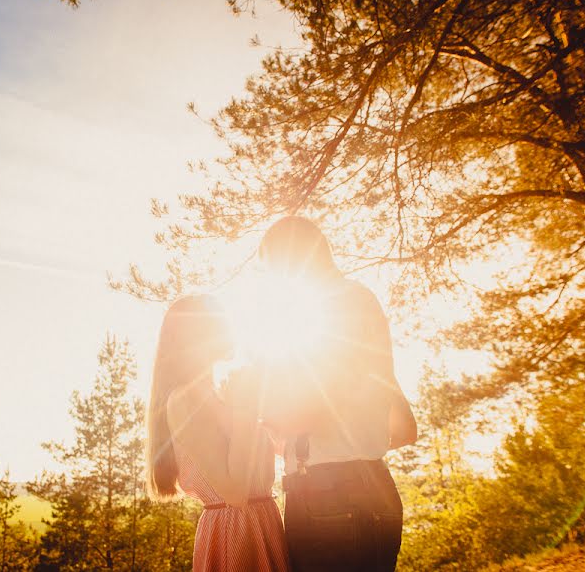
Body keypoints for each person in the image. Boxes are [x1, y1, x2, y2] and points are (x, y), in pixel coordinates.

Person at [257, 215, 418, 572]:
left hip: (327, 497)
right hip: (379, 489)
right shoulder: (364, 302)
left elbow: (310, 406)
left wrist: (266, 414)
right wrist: (357, 443)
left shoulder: (322, 308)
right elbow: (407, 429)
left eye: (271, 270)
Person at [146, 295, 291, 571]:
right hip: (234, 530)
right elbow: (234, 493)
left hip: (263, 522)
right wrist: (246, 407)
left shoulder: (221, 394)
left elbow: (279, 447)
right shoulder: (185, 400)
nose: (231, 330)